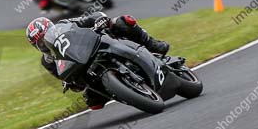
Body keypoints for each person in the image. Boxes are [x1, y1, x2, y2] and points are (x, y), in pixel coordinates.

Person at [26, 13, 170, 109]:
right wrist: (68, 82)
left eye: (45, 39)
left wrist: (99, 20)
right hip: (85, 68)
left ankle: (151, 43)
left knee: (122, 22)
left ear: (52, 29)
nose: (45, 44)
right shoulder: (47, 61)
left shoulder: (65, 24)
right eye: (40, 43)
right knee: (92, 102)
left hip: (98, 43)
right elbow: (62, 76)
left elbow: (89, 18)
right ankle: (128, 91)